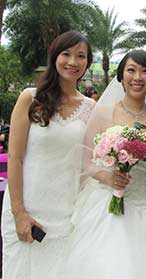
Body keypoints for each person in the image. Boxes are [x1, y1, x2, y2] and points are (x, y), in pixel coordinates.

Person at [62, 49, 146, 278]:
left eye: (145, 71)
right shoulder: (103, 113)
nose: (137, 77)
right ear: (121, 76)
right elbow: (86, 161)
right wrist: (108, 177)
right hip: (110, 207)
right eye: (131, 70)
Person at [1, 30, 95, 279]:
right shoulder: (29, 98)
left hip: (67, 215)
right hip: (28, 210)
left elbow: (90, 165)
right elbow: (15, 158)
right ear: (55, 56)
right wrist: (19, 213)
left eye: (81, 56)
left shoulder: (91, 108)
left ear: (88, 62)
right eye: (66, 54)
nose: (73, 62)